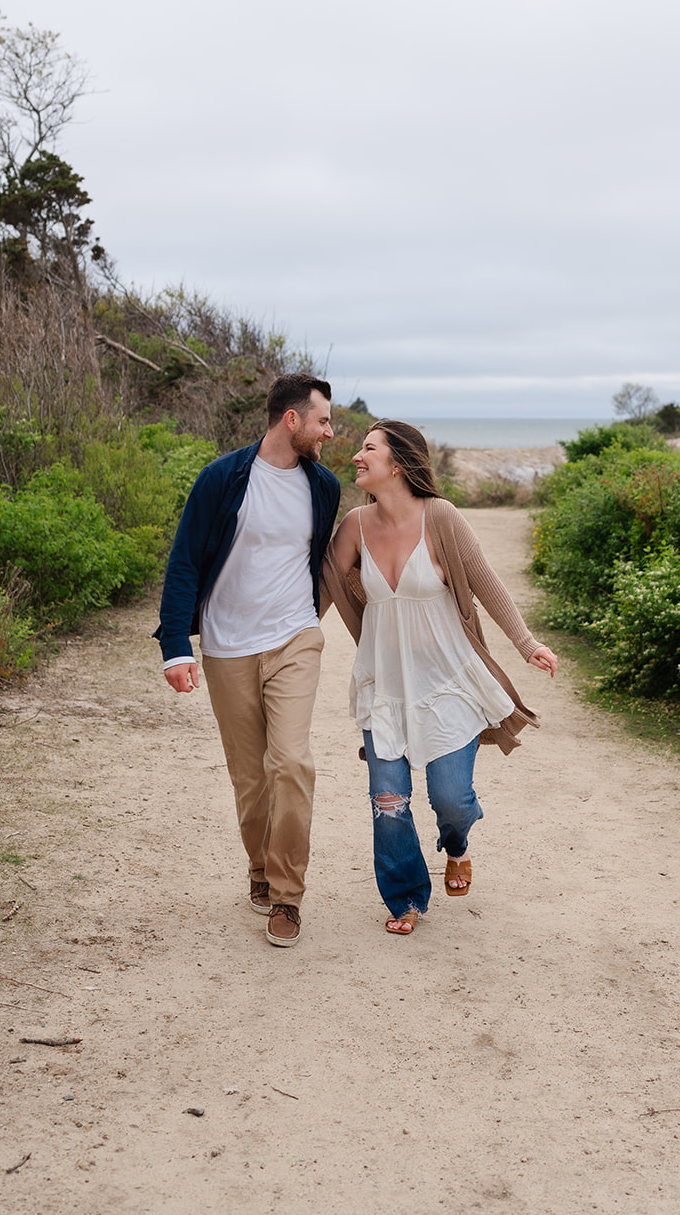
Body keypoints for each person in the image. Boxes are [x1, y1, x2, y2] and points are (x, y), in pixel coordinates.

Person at [323, 420, 557, 935]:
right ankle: (406, 897)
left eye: (368, 449)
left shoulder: (442, 518)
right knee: (389, 801)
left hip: (449, 682)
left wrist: (527, 644)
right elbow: (318, 595)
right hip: (385, 686)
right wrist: (272, 641)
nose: (357, 457)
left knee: (451, 800)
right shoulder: (353, 526)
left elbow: (486, 582)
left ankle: (457, 845)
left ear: (399, 464)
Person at [156, 373, 340, 947]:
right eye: (323, 421)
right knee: (250, 777)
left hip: (294, 638)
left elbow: (324, 563)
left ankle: (287, 896)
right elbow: (185, 560)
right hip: (228, 644)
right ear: (292, 420)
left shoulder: (323, 487)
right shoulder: (222, 478)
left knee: (290, 763)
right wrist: (175, 648)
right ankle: (260, 869)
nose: (330, 433)